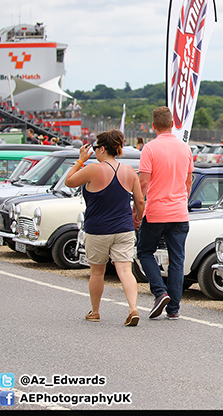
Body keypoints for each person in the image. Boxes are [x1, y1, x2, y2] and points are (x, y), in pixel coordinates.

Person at [64, 129, 145, 326]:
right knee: (125, 270)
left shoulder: (94, 169)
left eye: (95, 148)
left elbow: (69, 181)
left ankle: (95, 311)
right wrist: (138, 220)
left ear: (101, 149)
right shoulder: (129, 171)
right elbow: (140, 201)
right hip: (124, 228)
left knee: (97, 272)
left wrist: (81, 159)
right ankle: (133, 308)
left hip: (98, 229)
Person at [136, 106, 194, 320]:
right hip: (179, 212)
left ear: (153, 126)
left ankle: (160, 292)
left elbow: (143, 183)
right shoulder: (185, 148)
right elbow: (188, 181)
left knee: (144, 251)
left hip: (156, 211)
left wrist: (138, 207)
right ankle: (174, 309)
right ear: (172, 124)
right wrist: (182, 201)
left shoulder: (149, 149)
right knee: (177, 259)